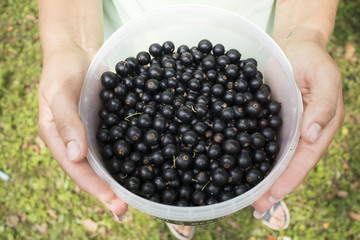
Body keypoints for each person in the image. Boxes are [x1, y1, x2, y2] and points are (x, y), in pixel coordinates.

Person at [37, 0, 344, 239]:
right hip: (122, 31)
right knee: (190, 198)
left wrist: (305, 33)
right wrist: (69, 43)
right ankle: (183, 214)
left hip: (264, 37)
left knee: (266, 175)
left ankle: (259, 197)